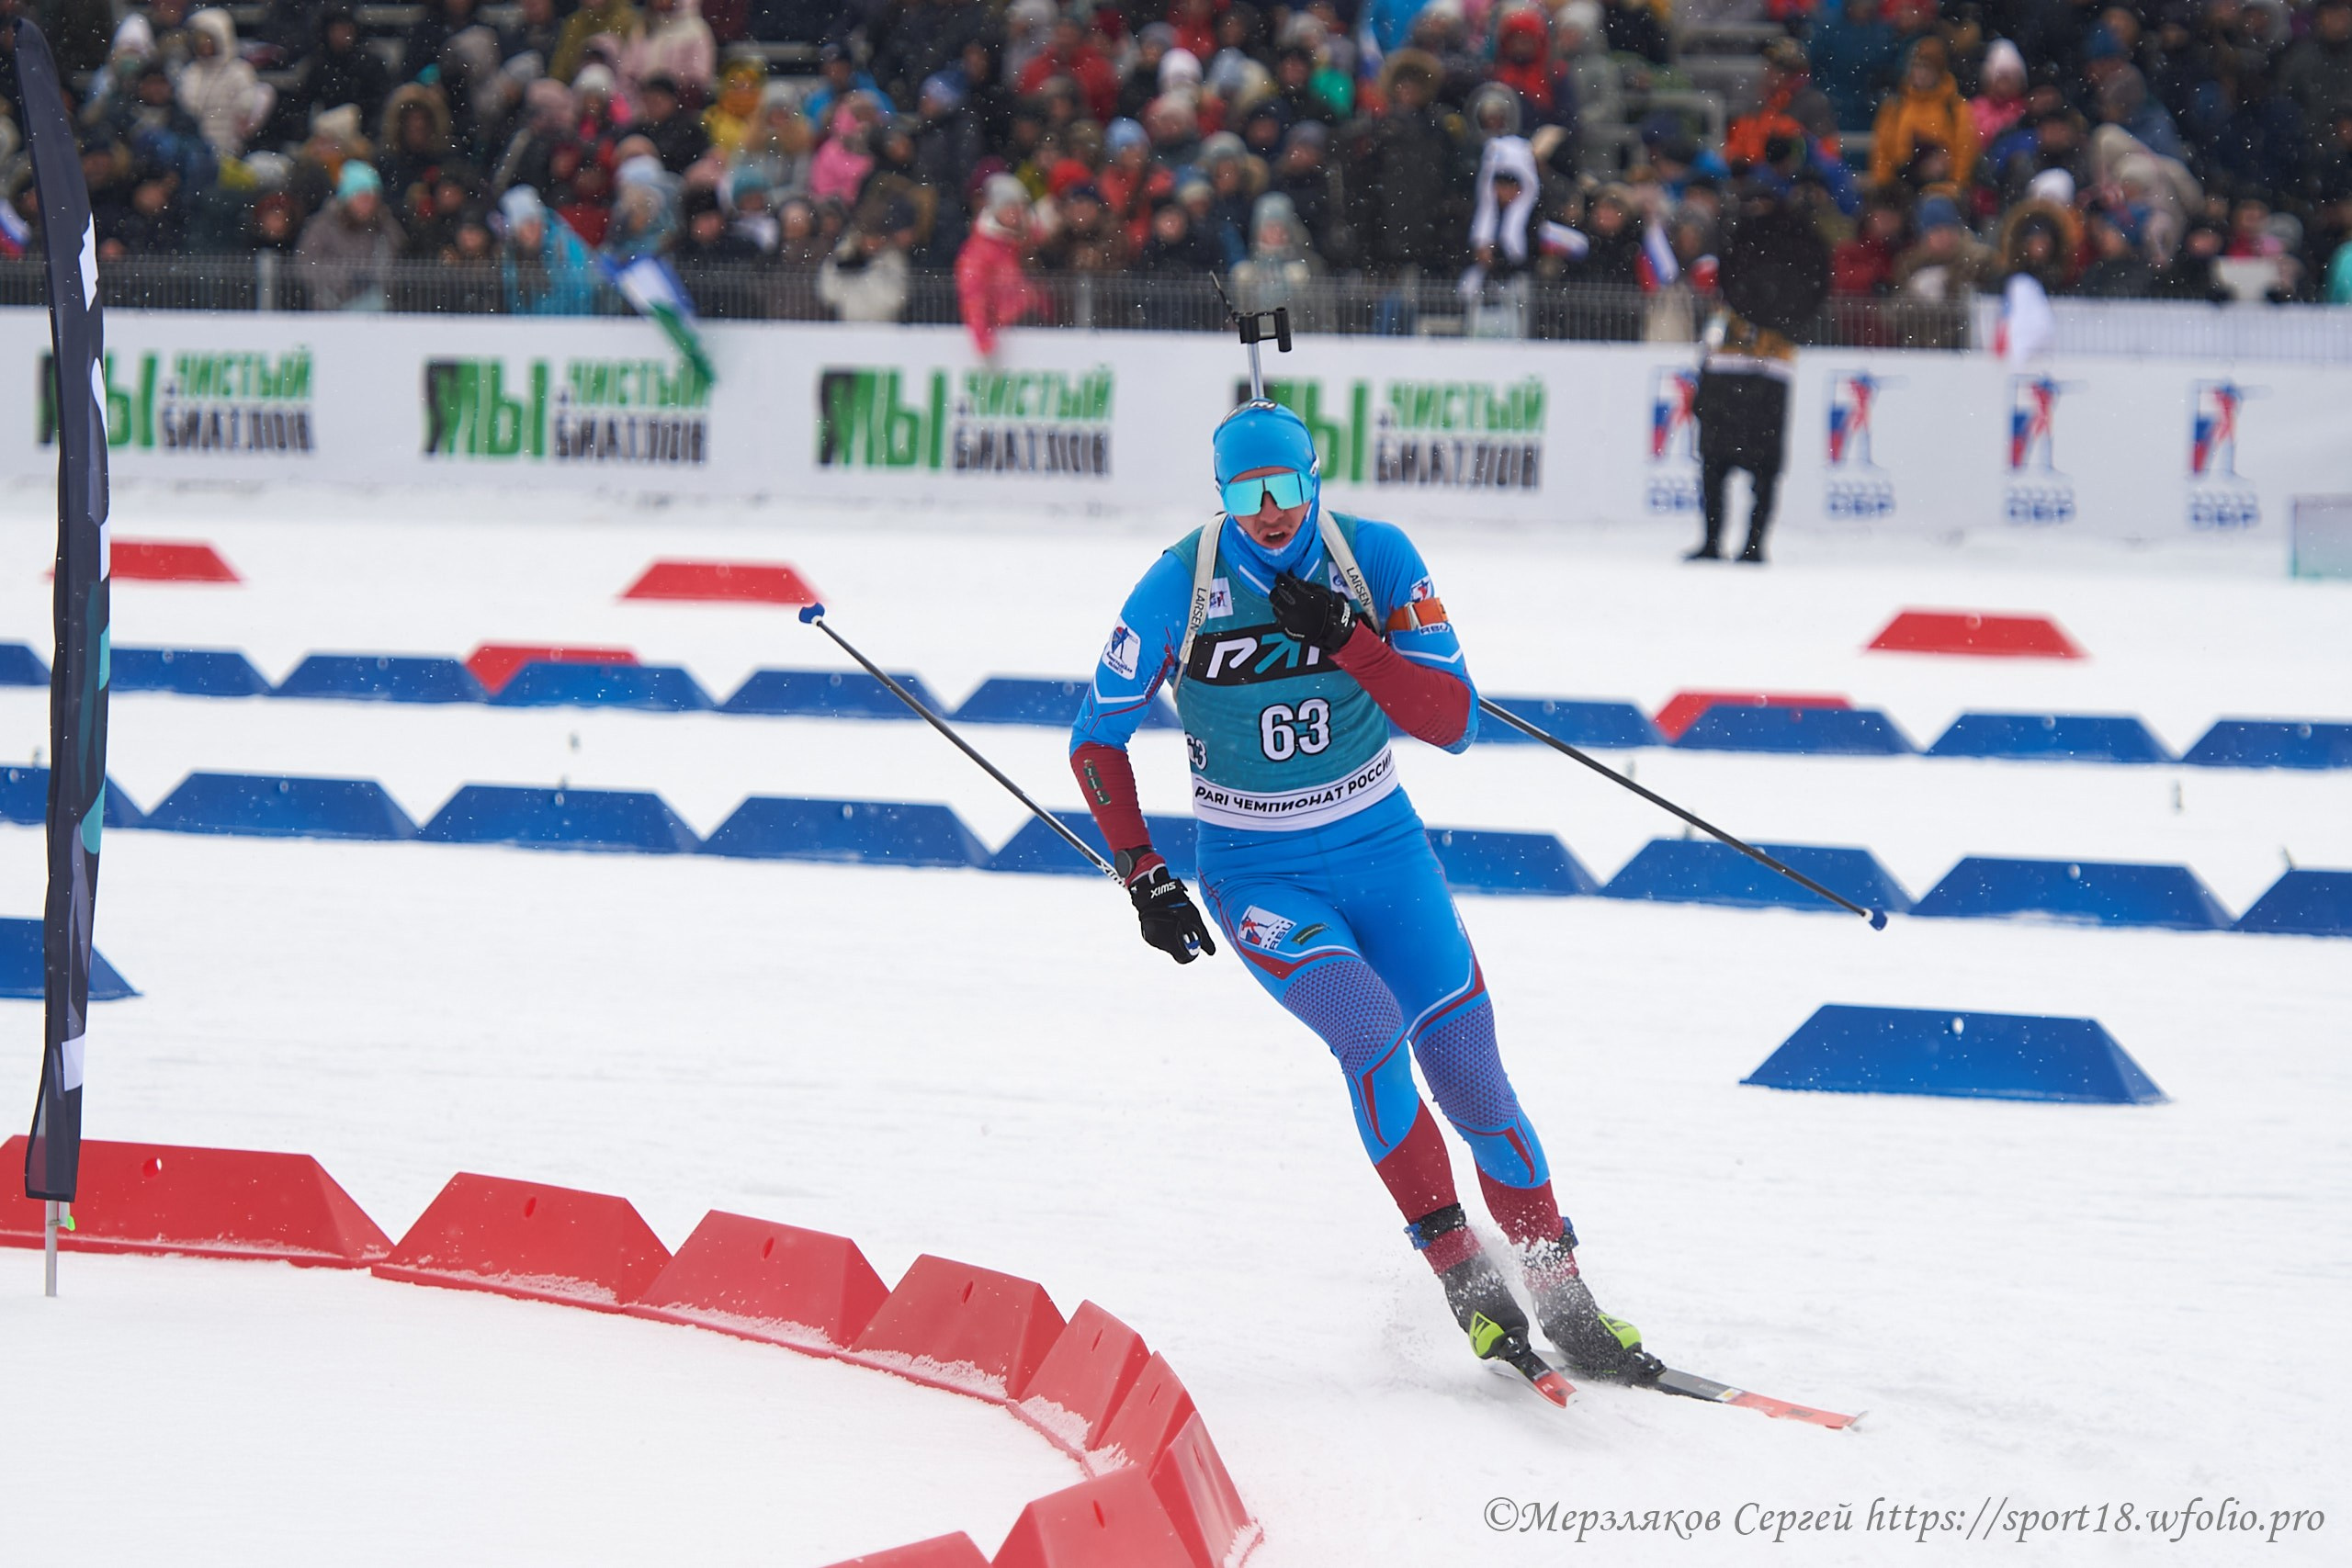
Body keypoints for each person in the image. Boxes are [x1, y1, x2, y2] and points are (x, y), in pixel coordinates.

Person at [1064, 399, 1667, 1394]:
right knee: (1369, 1028)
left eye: (1286, 487)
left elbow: (1454, 721)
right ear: (1220, 498)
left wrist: (1354, 642)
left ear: (1314, 477)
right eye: (1246, 493)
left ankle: (1562, 1298)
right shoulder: (1183, 580)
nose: (1269, 511)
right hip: (1259, 871)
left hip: (1383, 849)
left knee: (1473, 1078)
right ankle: (1465, 1278)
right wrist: (1143, 874)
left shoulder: (1373, 558)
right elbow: (1096, 739)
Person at [1688, 174, 1827, 563]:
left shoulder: (1788, 243)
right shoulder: (1739, 238)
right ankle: (1716, 541)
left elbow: (1809, 292)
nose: (1756, 211)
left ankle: (1751, 544)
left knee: (1759, 466)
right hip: (1732, 363)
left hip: (1766, 365)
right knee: (1718, 462)